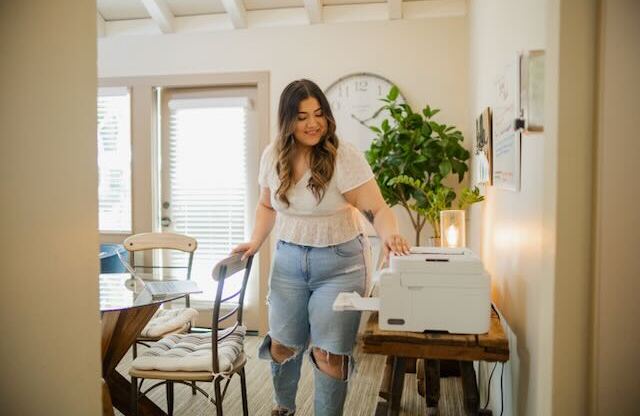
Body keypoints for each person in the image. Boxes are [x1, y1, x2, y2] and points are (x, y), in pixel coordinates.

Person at [232, 79, 410, 416]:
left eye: (318, 114)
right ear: (287, 121)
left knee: (329, 353)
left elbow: (378, 210)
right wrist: (255, 241)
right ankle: (282, 408)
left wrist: (389, 235)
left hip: (341, 263)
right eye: (301, 117)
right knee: (282, 344)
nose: (313, 123)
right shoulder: (272, 156)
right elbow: (267, 206)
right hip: (287, 261)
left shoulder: (343, 157)